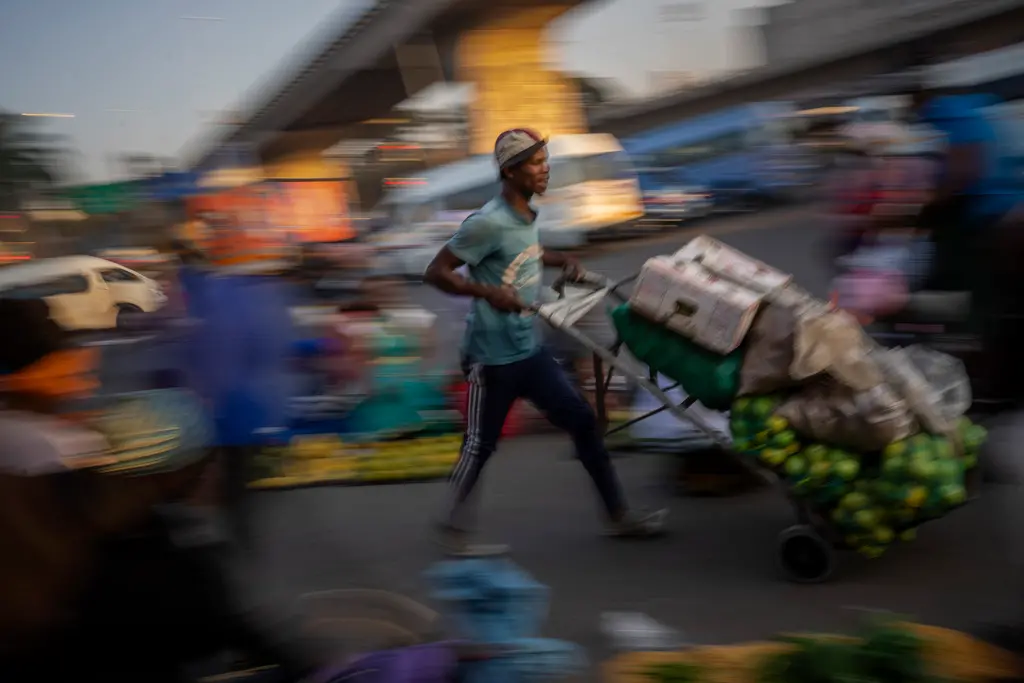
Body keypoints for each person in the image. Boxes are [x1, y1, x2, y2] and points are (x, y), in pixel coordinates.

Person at [423, 128, 666, 554]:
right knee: (480, 445)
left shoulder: (525, 216)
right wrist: (487, 292)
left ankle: (618, 517)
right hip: (491, 358)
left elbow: (525, 253)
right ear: (511, 171)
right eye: (536, 163)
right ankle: (452, 529)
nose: (545, 169)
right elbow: (436, 272)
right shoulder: (486, 222)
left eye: (545, 160)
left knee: (582, 422)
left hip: (528, 351)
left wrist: (562, 261)